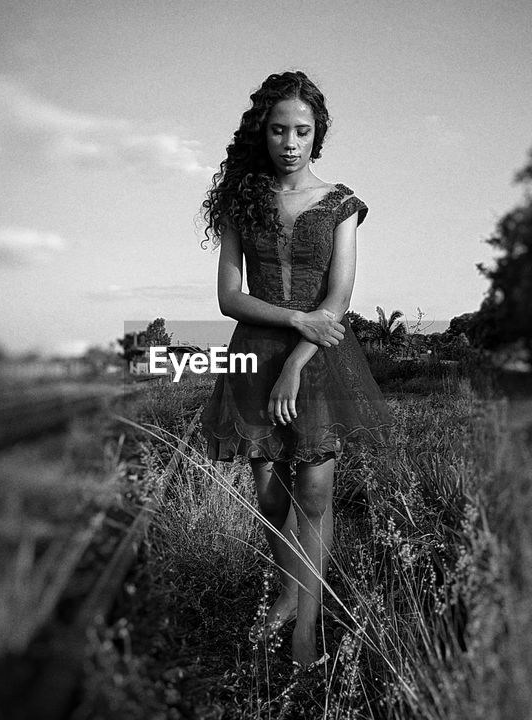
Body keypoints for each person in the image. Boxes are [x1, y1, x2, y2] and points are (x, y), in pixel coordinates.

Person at [198, 70, 392, 668]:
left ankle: (305, 628)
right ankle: (288, 590)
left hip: (320, 357)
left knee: (313, 489)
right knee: (270, 497)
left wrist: (302, 353)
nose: (289, 141)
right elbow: (229, 297)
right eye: (279, 129)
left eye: (301, 130)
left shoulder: (340, 204)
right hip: (254, 355)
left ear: (317, 134)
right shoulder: (241, 200)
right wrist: (295, 321)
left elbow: (337, 301)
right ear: (264, 133)